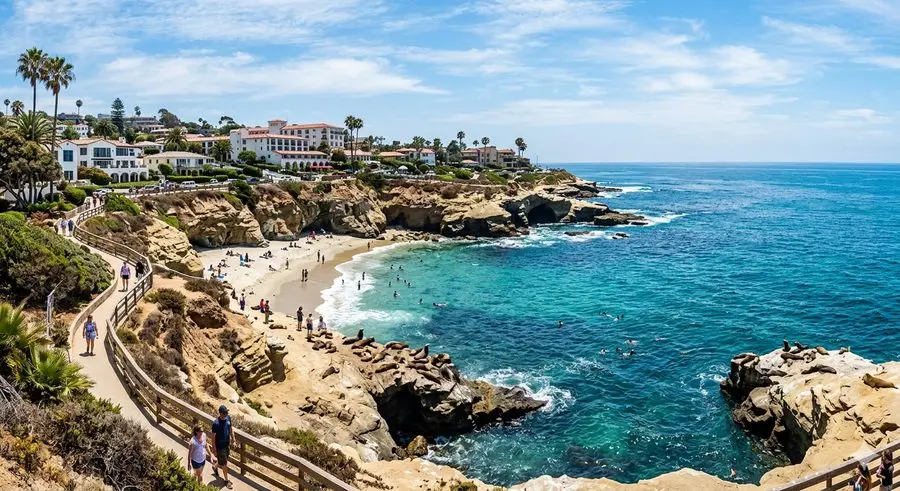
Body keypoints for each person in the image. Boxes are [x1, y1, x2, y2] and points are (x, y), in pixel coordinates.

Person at [211, 405, 235, 489]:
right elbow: (213, 437)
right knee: (224, 464)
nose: (226, 414)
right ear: (220, 413)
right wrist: (214, 449)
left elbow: (231, 428)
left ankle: (215, 466)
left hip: (227, 445)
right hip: (220, 446)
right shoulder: (216, 423)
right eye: (224, 413)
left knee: (224, 460)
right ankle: (226, 481)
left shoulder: (228, 418)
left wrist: (233, 439)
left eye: (227, 412)